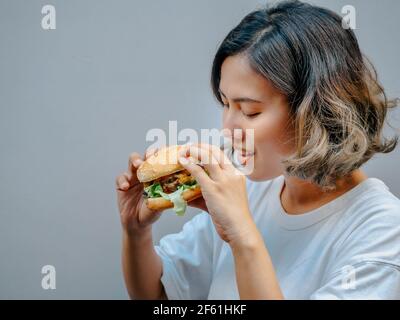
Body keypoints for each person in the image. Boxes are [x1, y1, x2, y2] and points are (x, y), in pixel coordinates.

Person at [115, 0, 400, 299]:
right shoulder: (248, 192)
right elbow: (160, 297)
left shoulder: (383, 232)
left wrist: (243, 236)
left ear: (318, 112)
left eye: (250, 112)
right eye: (225, 104)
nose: (228, 129)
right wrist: (136, 234)